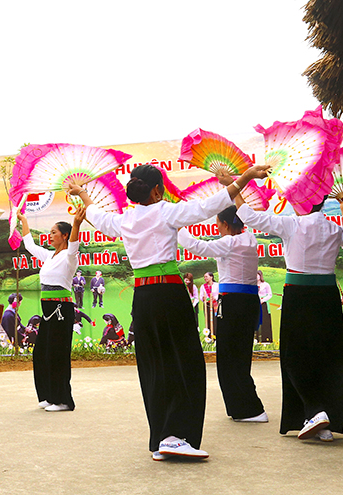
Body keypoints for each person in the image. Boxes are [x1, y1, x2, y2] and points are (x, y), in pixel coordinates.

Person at [67, 162, 270, 460]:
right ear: (158, 189)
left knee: (154, 365)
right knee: (184, 363)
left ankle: (162, 437)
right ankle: (175, 436)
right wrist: (247, 177)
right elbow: (210, 204)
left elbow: (95, 215)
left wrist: (82, 193)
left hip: (143, 298)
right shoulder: (166, 211)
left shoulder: (124, 219)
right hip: (169, 295)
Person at [234, 190, 343, 443]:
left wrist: (233, 187)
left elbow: (249, 216)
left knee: (294, 356)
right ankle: (321, 422)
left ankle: (315, 411)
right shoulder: (333, 229)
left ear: (301, 203)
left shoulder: (292, 223)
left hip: (299, 294)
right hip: (327, 296)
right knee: (326, 356)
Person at [178, 206, 267, 423]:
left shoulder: (229, 242)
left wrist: (178, 226)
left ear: (226, 225)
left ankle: (250, 409)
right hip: (249, 301)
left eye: (218, 225)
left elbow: (196, 246)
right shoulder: (250, 239)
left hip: (233, 302)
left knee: (228, 356)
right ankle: (244, 406)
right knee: (240, 354)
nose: (218, 229)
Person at [19, 206, 86, 412]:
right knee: (41, 353)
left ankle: (63, 400)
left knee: (57, 353)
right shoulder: (49, 256)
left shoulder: (69, 257)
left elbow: (74, 244)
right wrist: (23, 220)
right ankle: (48, 395)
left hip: (61, 308)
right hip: (47, 310)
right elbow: (29, 245)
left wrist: (76, 223)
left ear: (64, 236)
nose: (50, 236)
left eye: (54, 233)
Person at [257, 270, 273, 343]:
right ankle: (256, 338)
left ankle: (266, 338)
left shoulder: (265, 284)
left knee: (265, 320)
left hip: (263, 304)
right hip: (255, 303)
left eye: (258, 275)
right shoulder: (253, 284)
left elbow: (270, 294)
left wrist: (263, 299)